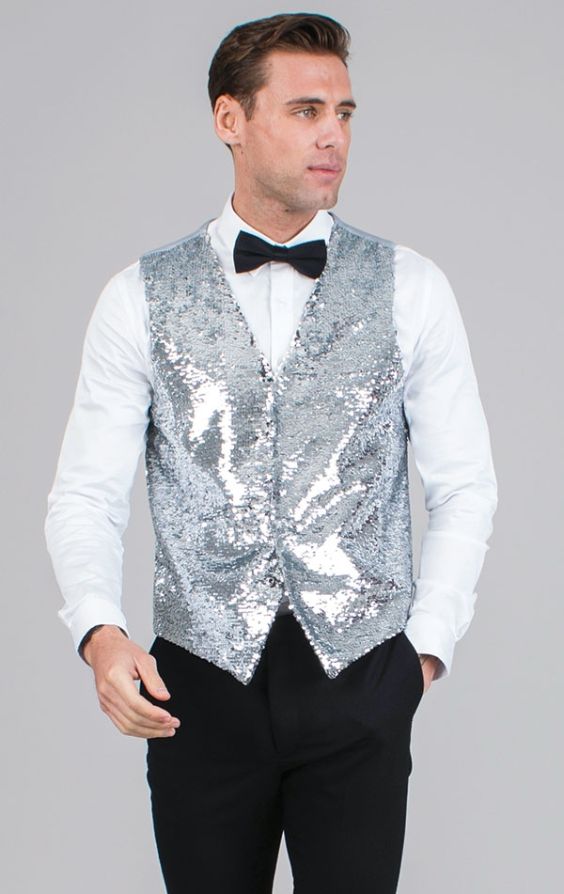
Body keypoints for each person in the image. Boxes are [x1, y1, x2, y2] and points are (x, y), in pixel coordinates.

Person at [44, 12, 498, 894]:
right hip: (198, 688)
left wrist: (421, 655)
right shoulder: (139, 297)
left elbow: (466, 487)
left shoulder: (412, 288)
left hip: (361, 680)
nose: (334, 135)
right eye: (305, 110)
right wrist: (99, 634)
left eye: (345, 112)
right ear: (231, 120)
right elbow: (85, 494)